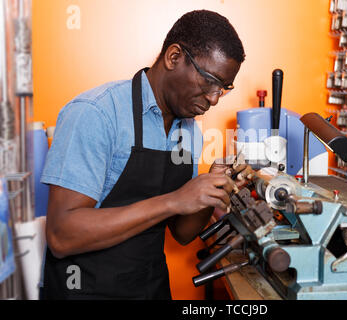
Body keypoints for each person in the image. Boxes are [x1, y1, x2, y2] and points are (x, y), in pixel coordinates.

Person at [40, 10, 246, 300]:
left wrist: (210, 189)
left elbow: (182, 233)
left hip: (150, 287)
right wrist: (174, 200)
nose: (214, 98)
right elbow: (62, 235)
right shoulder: (96, 113)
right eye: (210, 81)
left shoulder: (188, 132)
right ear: (174, 57)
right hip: (85, 290)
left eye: (223, 89)